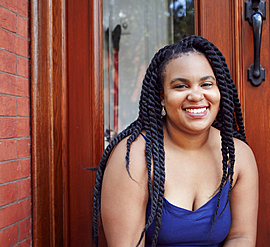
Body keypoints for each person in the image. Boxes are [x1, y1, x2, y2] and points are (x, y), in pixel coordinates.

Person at [92, 35, 258, 247]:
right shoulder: (134, 157)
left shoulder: (238, 155)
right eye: (181, 86)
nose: (196, 95)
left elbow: (240, 237)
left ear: (219, 90)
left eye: (206, 84)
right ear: (162, 96)